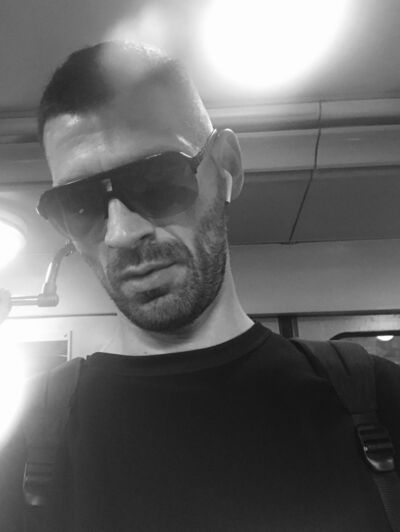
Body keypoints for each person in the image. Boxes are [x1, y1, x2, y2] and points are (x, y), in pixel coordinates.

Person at [1, 41, 400, 532]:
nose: (122, 233)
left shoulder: (378, 401)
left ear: (227, 166)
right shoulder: (24, 442)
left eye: (155, 180)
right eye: (79, 204)